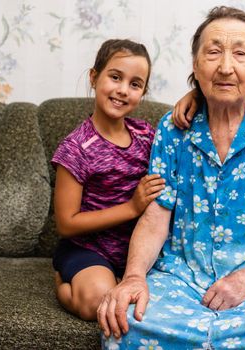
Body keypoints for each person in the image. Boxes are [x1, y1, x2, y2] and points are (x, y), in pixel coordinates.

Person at [97, 6, 245, 349]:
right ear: (195, 65)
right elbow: (157, 216)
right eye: (213, 52)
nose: (226, 67)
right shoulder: (173, 130)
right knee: (125, 325)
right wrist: (133, 277)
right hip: (180, 278)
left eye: (241, 53)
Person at [51, 39, 165, 320]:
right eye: (115, 77)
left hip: (137, 254)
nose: (123, 90)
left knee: (157, 309)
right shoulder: (76, 148)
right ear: (94, 77)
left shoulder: (146, 135)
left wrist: (191, 99)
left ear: (143, 92)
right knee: (99, 305)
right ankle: (64, 283)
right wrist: (131, 208)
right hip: (89, 249)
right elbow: (66, 223)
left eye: (135, 84)